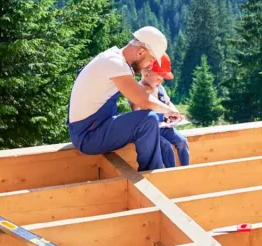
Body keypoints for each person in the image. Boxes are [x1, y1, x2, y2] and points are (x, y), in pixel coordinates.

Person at [66, 27, 181, 171]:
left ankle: (153, 170)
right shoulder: (116, 64)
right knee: (148, 119)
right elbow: (143, 101)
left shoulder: (112, 58)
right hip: (88, 136)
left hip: (91, 129)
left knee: (144, 122)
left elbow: (138, 97)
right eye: (151, 60)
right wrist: (170, 111)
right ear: (140, 52)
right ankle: (152, 174)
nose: (150, 66)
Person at [133, 54, 190, 168]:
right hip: (150, 131)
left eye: (162, 80)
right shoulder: (137, 90)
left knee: (182, 141)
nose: (160, 82)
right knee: (166, 146)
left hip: (163, 127)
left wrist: (174, 112)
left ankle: (185, 168)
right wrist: (144, 94)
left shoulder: (160, 89)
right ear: (146, 74)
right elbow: (135, 110)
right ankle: (171, 172)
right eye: (158, 78)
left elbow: (168, 103)